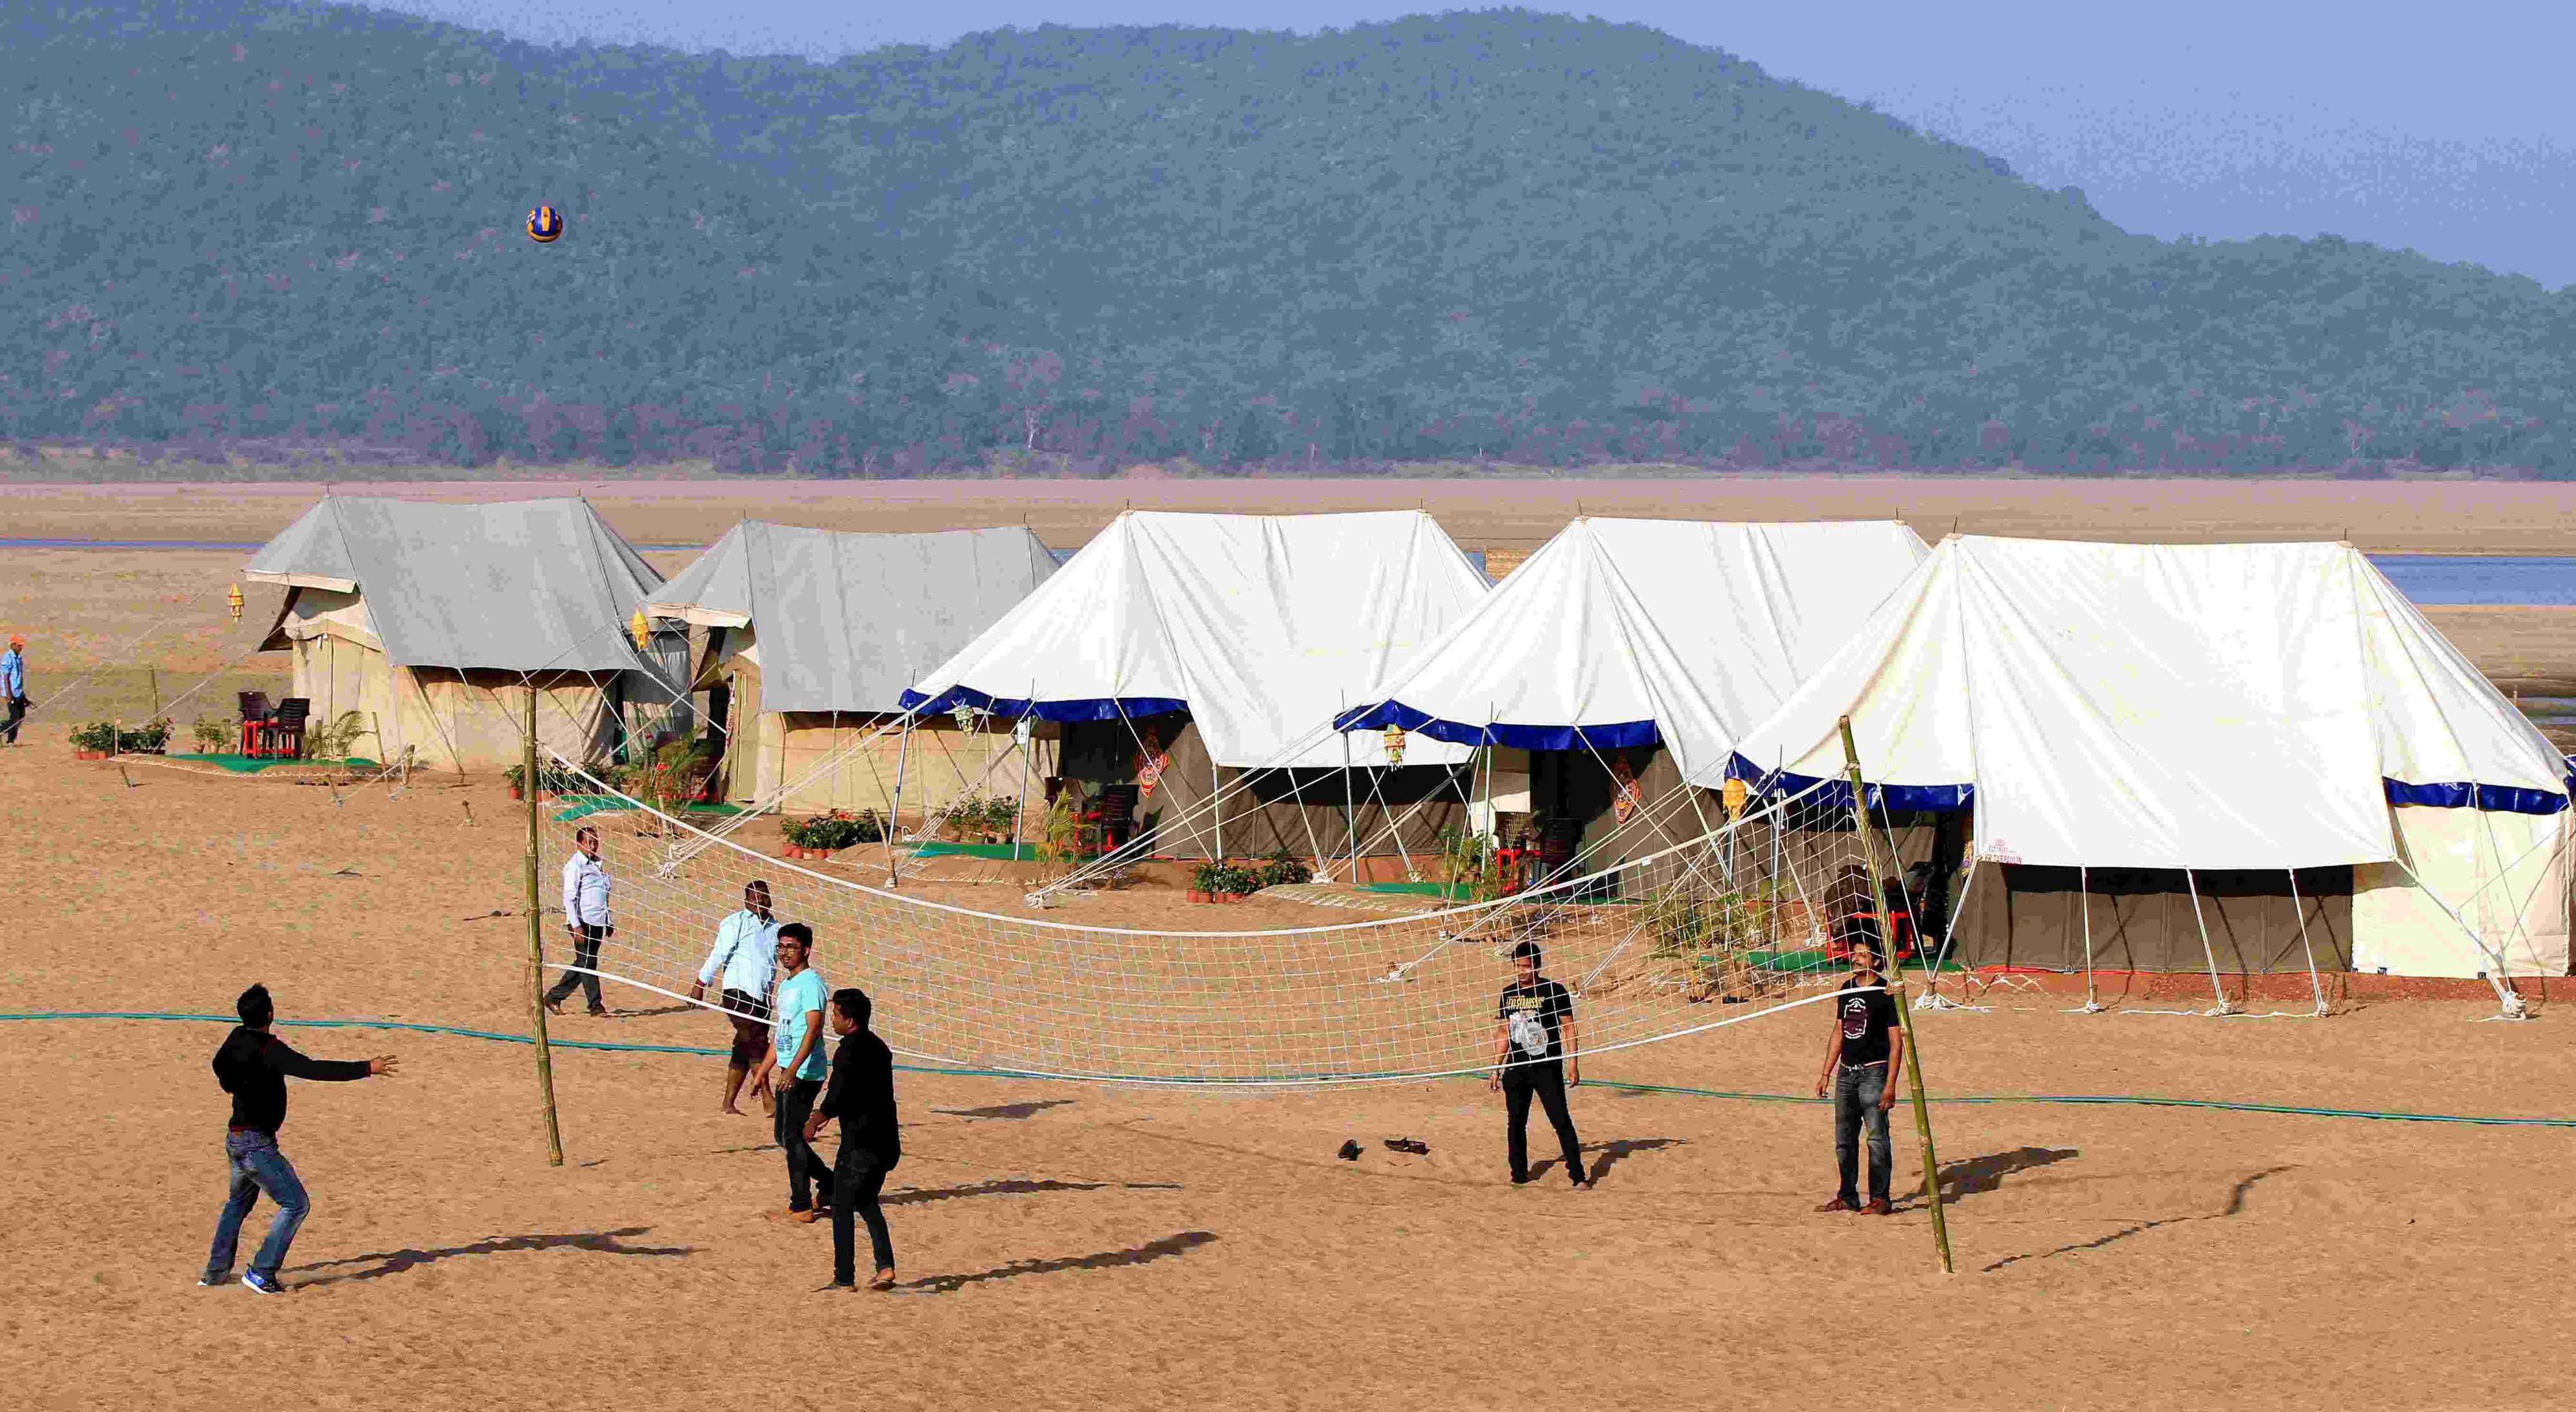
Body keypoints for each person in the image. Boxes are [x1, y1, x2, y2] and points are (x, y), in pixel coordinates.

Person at [202, 984, 397, 1293]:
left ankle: (215, 1273)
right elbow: (313, 1069)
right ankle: (262, 1271)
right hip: (256, 1145)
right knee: (296, 1204)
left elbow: (218, 1064)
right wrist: (366, 1068)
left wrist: (231, 1084)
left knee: (237, 1204)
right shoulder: (270, 1049)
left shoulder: (236, 1037)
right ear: (270, 1014)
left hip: (236, 1139)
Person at [806, 986, 901, 1290]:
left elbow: (837, 1097)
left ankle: (844, 1277)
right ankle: (885, 1267)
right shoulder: (880, 1047)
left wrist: (814, 1122)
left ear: (850, 1020)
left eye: (835, 1014)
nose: (832, 1019)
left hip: (861, 1143)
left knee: (842, 1206)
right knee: (867, 1201)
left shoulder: (848, 1049)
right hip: (887, 1141)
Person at [1488, 939, 1590, 1189]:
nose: (1521, 971)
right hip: (1517, 1068)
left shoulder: (1554, 990)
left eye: (1526, 967)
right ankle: (1519, 1176)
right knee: (1516, 1123)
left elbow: (1569, 1027)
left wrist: (1573, 1064)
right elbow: (1503, 1032)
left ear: (1537, 966)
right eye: (1518, 966)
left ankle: (1578, 1176)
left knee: (1560, 1120)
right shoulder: (1508, 993)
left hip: (1547, 1066)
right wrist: (1495, 1067)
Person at [1815, 943, 1904, 1216]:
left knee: (1876, 1139)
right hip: (1846, 1073)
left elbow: (1896, 1042)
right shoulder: (1847, 988)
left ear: (1876, 961)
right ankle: (1847, 1197)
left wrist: (1890, 1085)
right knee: (1844, 1139)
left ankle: (1880, 1199)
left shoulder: (1886, 992)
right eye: (1855, 953)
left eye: (1863, 954)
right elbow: (1839, 1031)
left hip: (1874, 1073)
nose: (1856, 958)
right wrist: (1825, 1073)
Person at [753, 923, 834, 1221]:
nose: (784, 953)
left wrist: (793, 1071)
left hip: (806, 1072)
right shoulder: (787, 985)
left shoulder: (812, 984)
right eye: (781, 946)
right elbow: (782, 1033)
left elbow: (814, 1029)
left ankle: (801, 1204)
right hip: (789, 1069)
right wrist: (763, 1072)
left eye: (791, 947)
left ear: (806, 951)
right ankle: (830, 1183)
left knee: (792, 1137)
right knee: (785, 1137)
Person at [690, 880, 780, 1115]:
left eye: (765, 895)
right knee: (757, 1042)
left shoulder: (775, 928)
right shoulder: (736, 921)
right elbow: (718, 953)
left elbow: (773, 965)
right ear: (747, 900)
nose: (761, 900)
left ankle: (728, 1104)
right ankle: (769, 1100)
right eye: (756, 896)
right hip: (737, 993)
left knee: (744, 1045)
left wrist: (773, 995)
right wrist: (700, 983)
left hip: (761, 997)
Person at [545, 825, 612, 1017]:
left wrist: (608, 921)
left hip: (598, 922)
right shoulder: (574, 866)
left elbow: (603, 895)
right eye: (588, 842)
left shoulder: (598, 864)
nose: (593, 845)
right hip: (582, 923)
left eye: (595, 841)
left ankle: (554, 997)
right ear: (579, 844)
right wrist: (576, 925)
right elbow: (569, 898)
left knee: (584, 963)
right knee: (588, 963)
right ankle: (596, 1006)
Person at [1, 634, 25, 746]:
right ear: (13, 645)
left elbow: (18, 678)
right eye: (19, 645)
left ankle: (11, 739)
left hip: (18, 692)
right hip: (11, 693)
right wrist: (9, 694)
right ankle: (7, 737)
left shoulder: (19, 658)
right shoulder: (7, 658)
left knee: (20, 717)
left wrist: (24, 697)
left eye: (21, 646)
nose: (21, 648)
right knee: (15, 718)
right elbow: (6, 677)